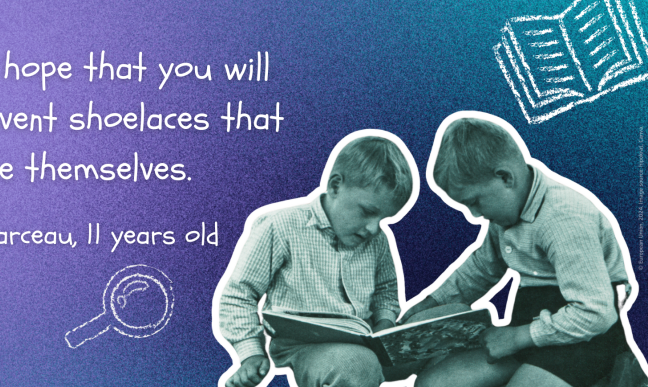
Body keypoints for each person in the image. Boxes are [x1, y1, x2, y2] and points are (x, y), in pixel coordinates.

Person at [401, 115, 635, 387]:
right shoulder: (505, 212)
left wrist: (515, 338)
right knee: (434, 384)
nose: (474, 215)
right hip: (530, 326)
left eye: (475, 201)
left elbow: (596, 314)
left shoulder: (564, 218)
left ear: (505, 177)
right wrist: (429, 303)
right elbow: (481, 269)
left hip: (588, 337)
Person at [216, 133, 417, 387]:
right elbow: (239, 294)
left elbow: (386, 289)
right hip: (306, 345)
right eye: (367, 212)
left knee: (452, 334)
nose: (373, 228)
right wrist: (251, 353)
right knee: (357, 365)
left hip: (368, 337)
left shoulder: (377, 240)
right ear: (335, 186)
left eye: (384, 219)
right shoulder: (280, 226)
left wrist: (385, 326)